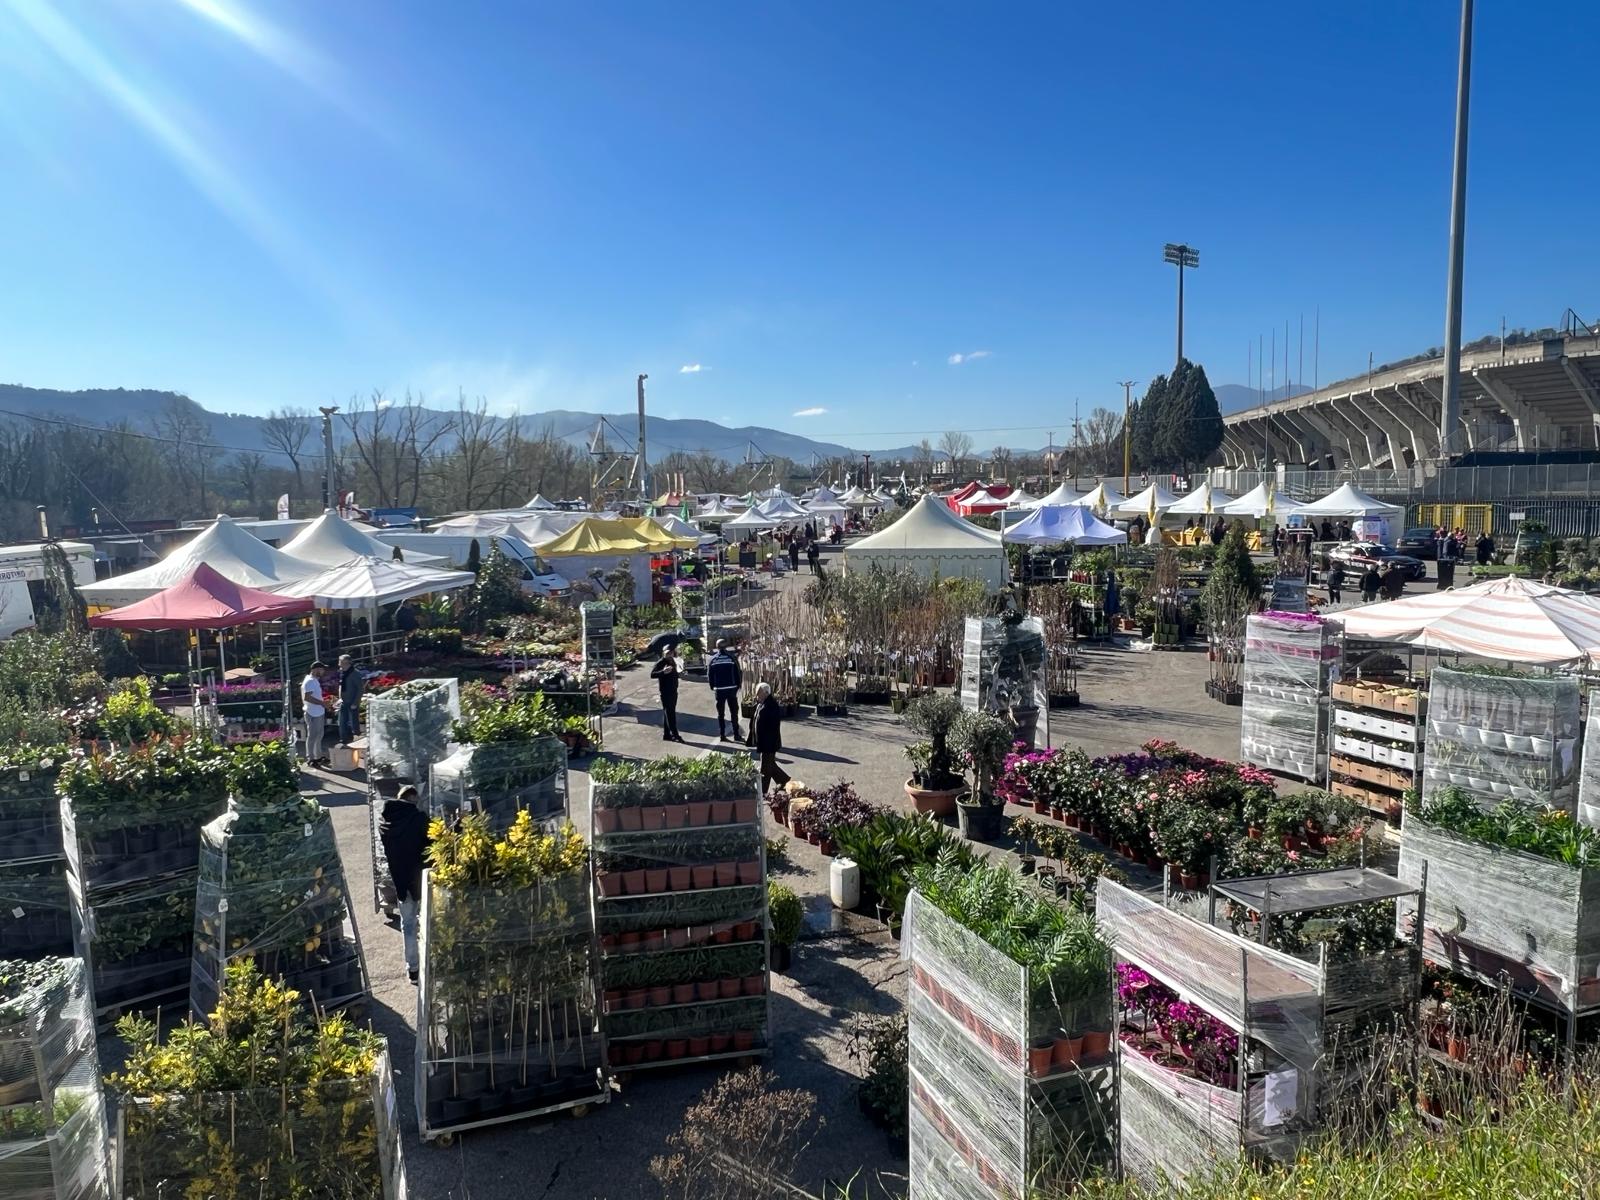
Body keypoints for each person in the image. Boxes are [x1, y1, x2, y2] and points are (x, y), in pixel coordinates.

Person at [378, 785, 429, 983]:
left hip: (400, 881)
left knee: (408, 925)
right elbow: (436, 837)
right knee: (429, 921)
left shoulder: (385, 823)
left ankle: (413, 969)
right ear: (413, 799)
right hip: (421, 878)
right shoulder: (418, 819)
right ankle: (432, 962)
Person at [751, 682, 791, 796]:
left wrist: (763, 740)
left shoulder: (771, 706)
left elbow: (771, 727)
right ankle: (784, 780)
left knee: (765, 768)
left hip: (768, 743)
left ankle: (762, 791)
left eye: (758, 693)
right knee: (770, 765)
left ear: (765, 693)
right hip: (765, 742)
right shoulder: (762, 704)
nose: (756, 696)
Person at [707, 638, 743, 741]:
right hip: (731, 689)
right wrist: (738, 685)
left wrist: (713, 687)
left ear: (717, 647)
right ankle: (736, 735)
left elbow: (710, 676)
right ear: (726, 646)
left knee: (721, 714)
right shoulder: (731, 658)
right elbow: (738, 672)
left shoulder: (713, 660)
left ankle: (722, 735)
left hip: (719, 690)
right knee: (734, 712)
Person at [651, 648, 685, 743]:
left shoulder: (673, 660)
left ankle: (667, 734)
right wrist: (663, 672)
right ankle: (675, 734)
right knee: (670, 714)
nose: (669, 655)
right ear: (663, 654)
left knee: (668, 713)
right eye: (667, 653)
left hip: (673, 690)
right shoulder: (661, 662)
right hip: (666, 692)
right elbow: (652, 674)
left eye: (671, 653)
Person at [301, 662, 328, 767]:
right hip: (312, 712)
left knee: (319, 735)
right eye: (321, 669)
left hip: (318, 711)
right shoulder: (310, 681)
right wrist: (322, 703)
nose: (323, 671)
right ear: (315, 670)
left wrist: (322, 702)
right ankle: (311, 758)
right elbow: (307, 697)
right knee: (312, 736)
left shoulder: (314, 681)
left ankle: (318, 756)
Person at [336, 653, 364, 746]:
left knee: (353, 722)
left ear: (347, 663)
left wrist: (355, 702)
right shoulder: (343, 673)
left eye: (341, 662)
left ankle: (356, 737)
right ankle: (344, 739)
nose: (339, 664)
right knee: (342, 721)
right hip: (344, 701)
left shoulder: (354, 674)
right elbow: (341, 685)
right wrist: (339, 698)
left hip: (352, 702)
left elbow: (360, 689)